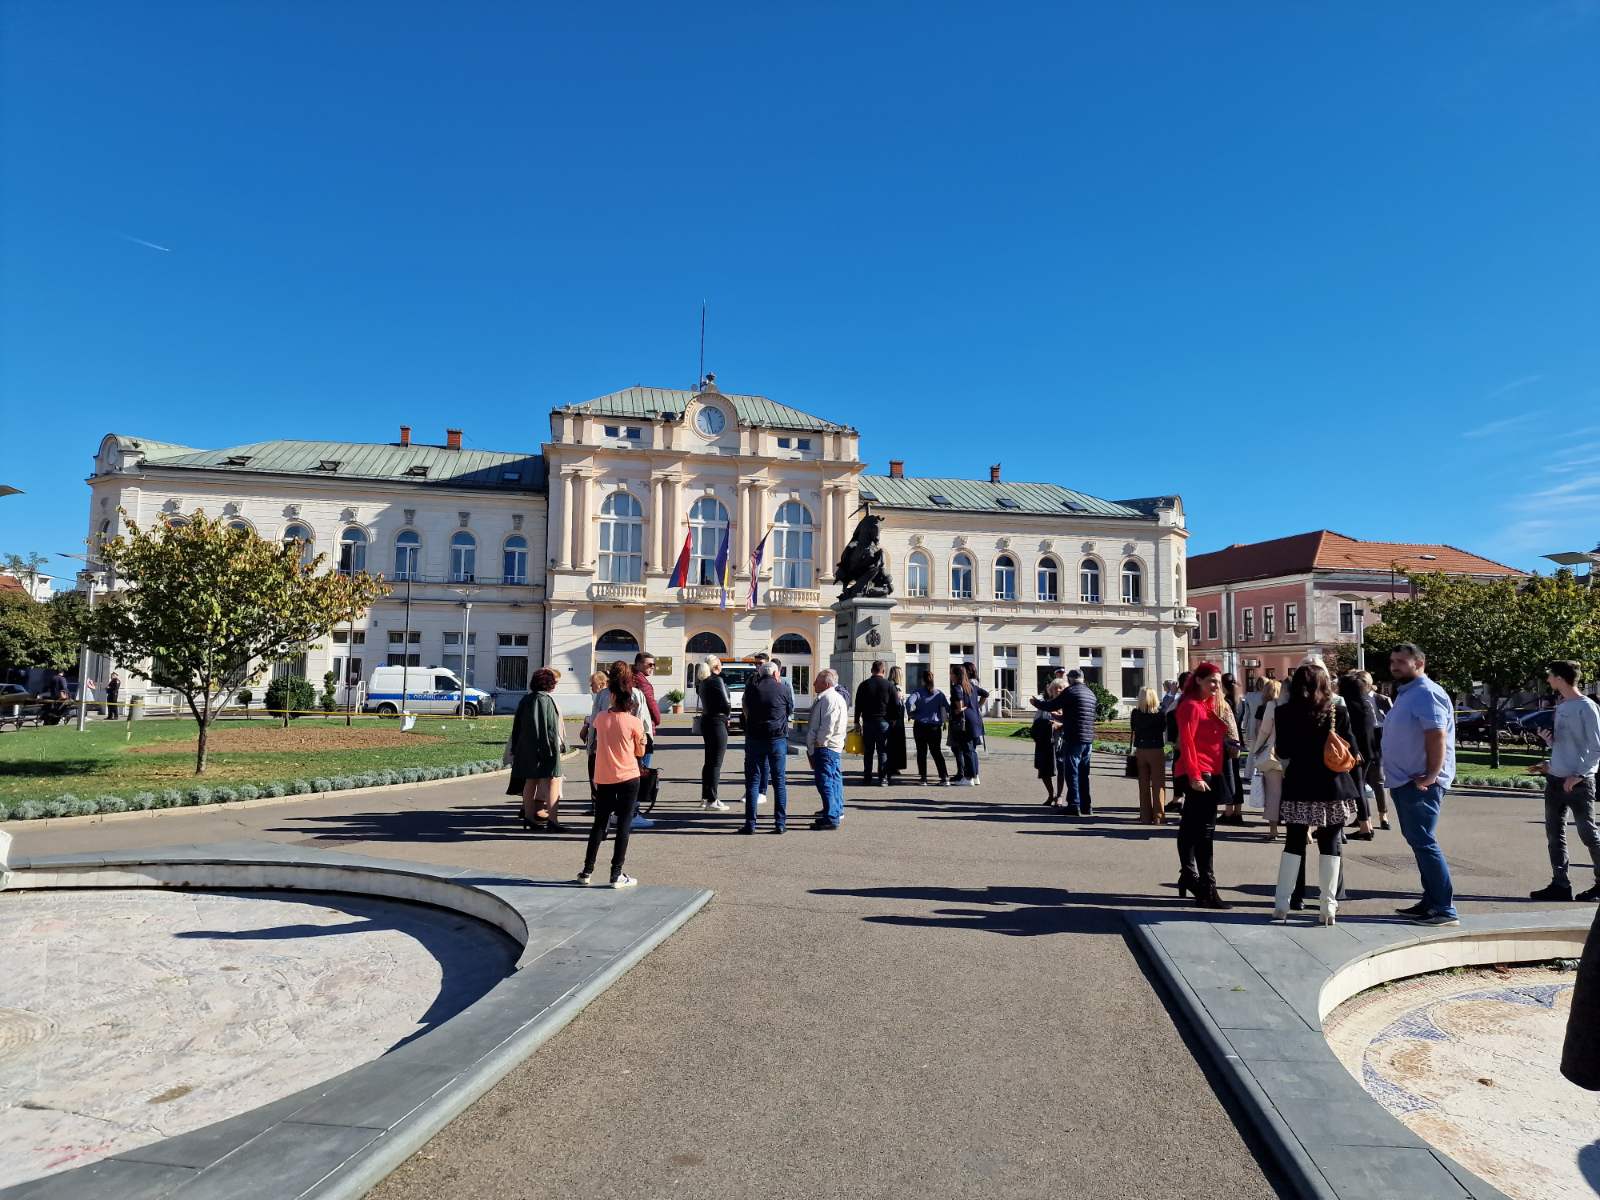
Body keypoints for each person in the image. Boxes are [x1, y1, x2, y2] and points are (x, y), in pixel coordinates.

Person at [1270, 663, 1359, 925]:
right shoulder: (1337, 711)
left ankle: (1281, 904)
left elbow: (1283, 751)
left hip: (1299, 784)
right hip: (1332, 786)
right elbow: (1352, 749)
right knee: (1331, 843)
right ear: (1325, 685)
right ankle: (1327, 907)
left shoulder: (1283, 712)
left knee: (1294, 842)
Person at [1384, 643, 1459, 926]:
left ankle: (1443, 908)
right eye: (1393, 661)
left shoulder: (1426, 693)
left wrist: (1431, 774)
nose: (1395, 666)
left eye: (1401, 661)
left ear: (1419, 663)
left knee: (1424, 841)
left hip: (1420, 782)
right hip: (1406, 779)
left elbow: (1436, 735)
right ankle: (1430, 902)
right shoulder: (1408, 694)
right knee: (1418, 841)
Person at [1530, 660, 1600, 902]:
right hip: (1555, 780)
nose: (1547, 679)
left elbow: (1595, 747)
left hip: (1579, 783)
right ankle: (1560, 885)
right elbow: (1566, 745)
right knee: (1554, 835)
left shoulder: (1586, 707)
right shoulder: (1562, 706)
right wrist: (1549, 743)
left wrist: (1579, 774)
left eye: (1550, 675)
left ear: (1560, 678)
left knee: (1588, 833)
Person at [578, 660, 648, 888]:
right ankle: (616, 873)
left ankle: (586, 870)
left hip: (604, 775)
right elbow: (639, 750)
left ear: (612, 697)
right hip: (628, 775)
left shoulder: (600, 719)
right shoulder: (634, 722)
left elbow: (595, 741)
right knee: (624, 825)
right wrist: (642, 742)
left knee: (599, 823)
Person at [1173, 663, 1230, 909]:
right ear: (1198, 680)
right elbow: (1186, 744)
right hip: (1198, 773)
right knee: (1204, 831)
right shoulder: (1190, 707)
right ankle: (1206, 886)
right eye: (1211, 681)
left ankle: (1189, 876)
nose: (1216, 686)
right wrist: (1195, 777)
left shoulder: (1208, 705)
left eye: (1218, 682)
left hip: (1209, 772)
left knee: (1190, 827)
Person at [1030, 668, 1096, 815]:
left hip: (1074, 737)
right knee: (1083, 773)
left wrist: (1036, 703)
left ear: (1071, 680)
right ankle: (1086, 805)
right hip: (1088, 738)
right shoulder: (1090, 693)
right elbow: (1076, 715)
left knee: (1071, 772)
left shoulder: (1071, 691)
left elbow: (1051, 705)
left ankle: (1074, 804)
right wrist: (1059, 717)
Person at [507, 667, 566, 832]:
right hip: (545, 748)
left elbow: (516, 726)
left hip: (525, 747)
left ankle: (529, 817)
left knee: (530, 781)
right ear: (549, 684)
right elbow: (551, 728)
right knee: (553, 780)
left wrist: (515, 747)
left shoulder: (525, 700)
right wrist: (560, 747)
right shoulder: (546, 700)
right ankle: (553, 820)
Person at [741, 660, 792, 834]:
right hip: (777, 739)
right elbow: (789, 710)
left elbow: (745, 710)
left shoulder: (751, 689)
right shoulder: (783, 689)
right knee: (779, 782)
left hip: (755, 738)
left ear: (760, 674)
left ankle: (750, 824)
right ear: (776, 674)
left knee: (753, 781)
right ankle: (780, 823)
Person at [806, 668, 849, 830]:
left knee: (825, 781)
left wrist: (819, 743)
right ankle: (835, 811)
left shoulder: (829, 698)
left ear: (825, 683)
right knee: (833, 779)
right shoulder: (831, 697)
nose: (813, 683)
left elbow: (827, 725)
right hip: (832, 746)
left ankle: (831, 817)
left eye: (817, 680)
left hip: (826, 747)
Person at [1337, 673, 1377, 840]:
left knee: (1357, 789)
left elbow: (1348, 732)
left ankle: (1364, 827)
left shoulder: (1348, 707)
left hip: (1355, 752)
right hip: (1368, 751)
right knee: (1360, 786)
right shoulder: (1365, 704)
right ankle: (1366, 823)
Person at [1247, 678, 1284, 840]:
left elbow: (1263, 731)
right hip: (1295, 754)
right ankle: (1305, 832)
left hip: (1273, 753)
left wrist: (1256, 750)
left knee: (1273, 792)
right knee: (1296, 794)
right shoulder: (1299, 704)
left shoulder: (1272, 706)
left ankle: (1273, 830)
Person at [630, 651, 662, 830]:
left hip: (626, 732)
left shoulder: (628, 679)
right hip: (643, 733)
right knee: (640, 772)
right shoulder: (642, 683)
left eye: (654, 664)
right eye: (649, 664)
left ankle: (622, 810)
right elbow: (652, 706)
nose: (652, 668)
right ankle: (633, 812)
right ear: (638, 664)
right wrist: (657, 719)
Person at [696, 655, 732, 812]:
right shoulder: (717, 680)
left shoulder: (703, 681)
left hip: (707, 720)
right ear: (716, 666)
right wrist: (727, 715)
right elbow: (726, 702)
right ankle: (712, 799)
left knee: (709, 761)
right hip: (718, 722)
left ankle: (705, 797)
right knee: (716, 762)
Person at [853, 660, 896, 787]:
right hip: (884, 722)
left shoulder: (864, 685)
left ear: (872, 670)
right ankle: (883, 778)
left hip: (868, 722)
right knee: (883, 751)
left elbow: (858, 705)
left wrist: (856, 721)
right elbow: (895, 705)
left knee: (868, 751)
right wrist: (893, 721)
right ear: (883, 671)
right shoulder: (889, 685)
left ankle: (867, 777)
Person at [1359, 671, 1392, 829]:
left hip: (1378, 737)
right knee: (1361, 779)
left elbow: (1392, 720)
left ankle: (1383, 815)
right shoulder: (1355, 699)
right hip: (1362, 738)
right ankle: (1363, 816)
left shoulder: (1382, 699)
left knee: (1378, 778)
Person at [1130, 686, 1167, 823]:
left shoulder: (1135, 713)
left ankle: (1145, 816)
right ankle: (1159, 816)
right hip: (1156, 748)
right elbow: (1163, 728)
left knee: (1143, 784)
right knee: (1158, 784)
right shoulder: (1160, 714)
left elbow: (1133, 728)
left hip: (1141, 749)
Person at [907, 670, 950, 785]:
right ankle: (944, 777)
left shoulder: (918, 692)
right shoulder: (939, 694)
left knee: (921, 752)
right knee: (936, 752)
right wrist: (944, 718)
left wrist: (911, 713)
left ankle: (923, 778)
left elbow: (908, 702)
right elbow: (948, 708)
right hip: (935, 727)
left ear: (922, 680)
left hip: (920, 726)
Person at [1218, 673, 1246, 825]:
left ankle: (1228, 811)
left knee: (1228, 775)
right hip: (1237, 740)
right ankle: (1238, 811)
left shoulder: (1225, 702)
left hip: (1227, 742)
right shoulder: (1239, 701)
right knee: (1236, 776)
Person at [948, 665, 983, 786]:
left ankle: (968, 778)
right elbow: (985, 694)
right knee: (972, 750)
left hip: (965, 722)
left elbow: (959, 708)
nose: (950, 676)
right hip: (975, 720)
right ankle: (975, 776)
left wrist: (958, 709)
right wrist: (977, 706)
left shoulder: (957, 687)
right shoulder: (971, 686)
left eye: (951, 674)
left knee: (967, 750)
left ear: (957, 675)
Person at [579, 669, 609, 798]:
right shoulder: (599, 696)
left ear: (601, 684)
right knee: (594, 775)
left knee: (595, 775)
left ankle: (597, 804)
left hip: (599, 743)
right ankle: (596, 802)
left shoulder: (605, 696)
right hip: (595, 740)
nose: (591, 686)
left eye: (593, 683)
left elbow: (603, 719)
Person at [1033, 681, 1064, 805]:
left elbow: (1071, 720)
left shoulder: (1066, 703)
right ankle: (1051, 794)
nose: (1057, 690)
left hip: (1060, 741)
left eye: (1060, 688)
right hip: (1044, 741)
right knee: (1044, 769)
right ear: (1050, 690)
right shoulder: (1045, 704)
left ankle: (1059, 796)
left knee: (1061, 768)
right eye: (1055, 688)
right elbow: (1036, 720)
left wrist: (1059, 724)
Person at [885, 665, 908, 781]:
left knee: (891, 743)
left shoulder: (888, 685)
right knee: (896, 743)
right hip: (896, 719)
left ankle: (892, 765)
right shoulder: (896, 687)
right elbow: (898, 704)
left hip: (890, 717)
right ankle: (894, 766)